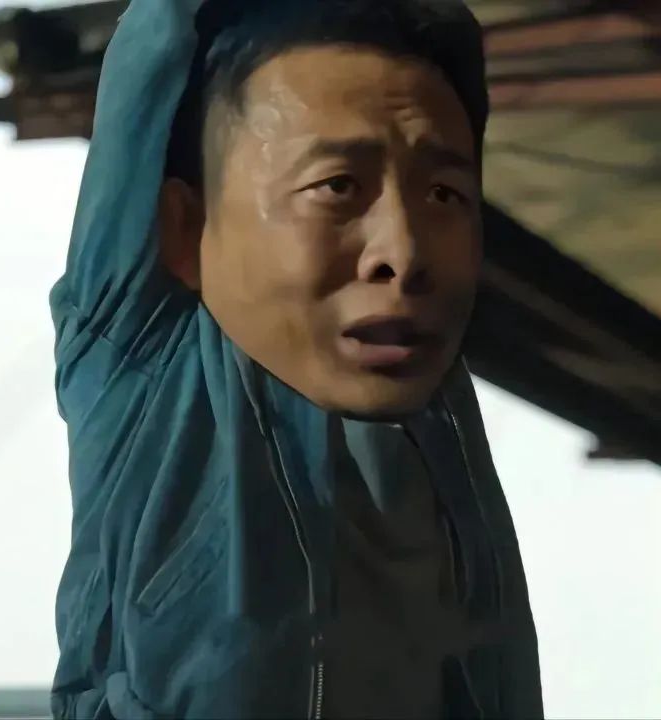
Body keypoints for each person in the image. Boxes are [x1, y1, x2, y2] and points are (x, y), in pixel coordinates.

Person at [49, 0, 543, 717]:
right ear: (184, 228)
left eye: (443, 194)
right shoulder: (148, 363)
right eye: (337, 187)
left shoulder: (432, 410)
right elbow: (151, 46)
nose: (404, 252)